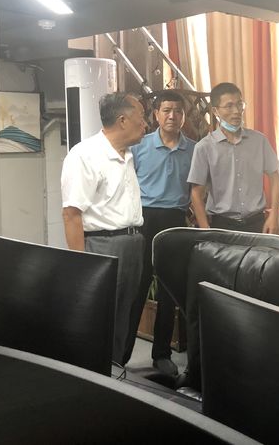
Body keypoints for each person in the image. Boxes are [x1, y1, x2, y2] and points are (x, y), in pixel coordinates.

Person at [61, 92, 147, 364]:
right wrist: (81, 265)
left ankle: (115, 370)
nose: (145, 124)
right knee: (99, 316)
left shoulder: (127, 154)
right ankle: (93, 375)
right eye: (142, 117)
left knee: (123, 316)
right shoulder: (85, 155)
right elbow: (71, 214)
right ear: (123, 120)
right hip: (103, 245)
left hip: (132, 244)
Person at [122, 90, 195, 374]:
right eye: (166, 110)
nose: (172, 116)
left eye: (178, 111)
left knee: (167, 293)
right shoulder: (140, 146)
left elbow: (198, 190)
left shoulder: (194, 149)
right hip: (145, 219)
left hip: (176, 222)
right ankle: (121, 353)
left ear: (184, 115)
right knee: (137, 287)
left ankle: (161, 354)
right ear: (156, 115)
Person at [187, 82, 279, 234]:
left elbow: (275, 178)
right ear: (215, 111)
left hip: (256, 222)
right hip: (222, 224)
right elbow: (196, 193)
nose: (236, 111)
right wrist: (206, 230)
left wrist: (274, 215)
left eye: (239, 104)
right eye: (229, 106)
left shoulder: (259, 141)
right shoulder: (204, 147)